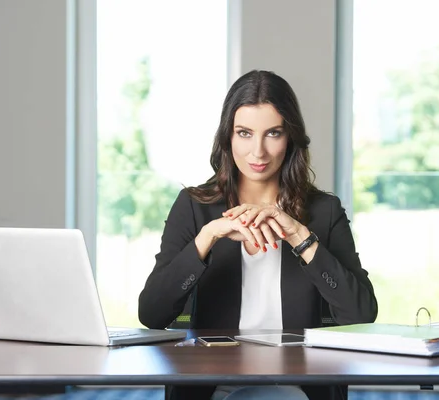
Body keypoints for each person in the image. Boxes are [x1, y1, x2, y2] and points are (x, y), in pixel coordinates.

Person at [138, 70, 378, 400]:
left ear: (290, 137)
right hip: (213, 385)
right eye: (245, 133)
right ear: (228, 137)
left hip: (299, 385)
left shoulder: (324, 212)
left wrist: (300, 237)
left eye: (273, 133)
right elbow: (152, 314)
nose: (258, 152)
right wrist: (207, 237)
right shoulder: (195, 208)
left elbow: (362, 314)